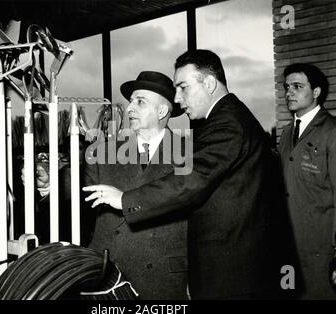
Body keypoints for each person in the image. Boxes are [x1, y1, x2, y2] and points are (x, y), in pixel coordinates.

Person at [84, 50, 288, 299]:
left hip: (224, 275)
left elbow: (191, 183)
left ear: (210, 83)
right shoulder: (105, 151)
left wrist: (124, 199)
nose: (178, 98)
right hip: (114, 278)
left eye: (182, 87)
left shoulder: (224, 127)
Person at [84, 71, 188, 299]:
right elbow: (78, 207)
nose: (129, 108)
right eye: (130, 101)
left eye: (140, 102)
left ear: (162, 111)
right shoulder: (103, 153)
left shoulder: (189, 153)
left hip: (163, 279)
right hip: (109, 278)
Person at [278, 63, 336, 299]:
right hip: (288, 246)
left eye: (297, 86)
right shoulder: (286, 132)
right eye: (286, 86)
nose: (288, 92)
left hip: (321, 250)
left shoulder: (331, 132)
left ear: (316, 92)